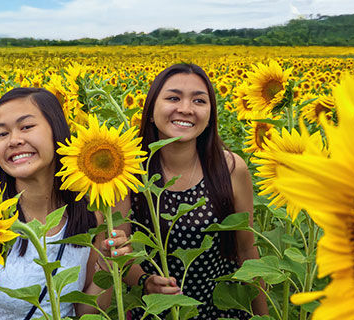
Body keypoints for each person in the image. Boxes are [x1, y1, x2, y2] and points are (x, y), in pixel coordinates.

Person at [0, 88, 125, 319]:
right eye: (1, 134)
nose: (14, 140)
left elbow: (86, 310)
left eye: (26, 127)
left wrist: (109, 267)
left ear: (56, 131)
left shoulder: (89, 217)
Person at [113, 63, 267, 319]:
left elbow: (246, 251)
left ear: (209, 116)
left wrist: (263, 316)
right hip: (157, 311)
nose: (185, 109)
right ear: (151, 111)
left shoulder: (230, 169)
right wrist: (145, 281)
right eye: (173, 98)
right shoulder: (128, 173)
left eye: (199, 100)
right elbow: (119, 252)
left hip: (222, 311)